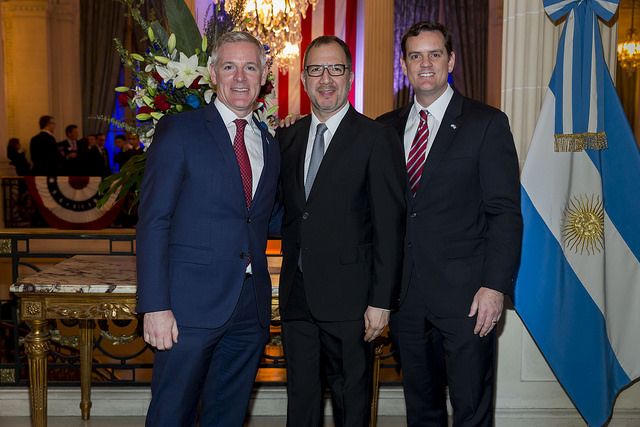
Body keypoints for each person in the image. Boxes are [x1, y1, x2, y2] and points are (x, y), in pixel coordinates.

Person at [376, 21, 523, 426]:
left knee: (471, 409)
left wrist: (495, 287)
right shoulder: (383, 129)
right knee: (421, 410)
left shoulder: (486, 123)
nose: (425, 64)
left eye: (434, 54)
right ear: (404, 64)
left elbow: (504, 212)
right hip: (405, 298)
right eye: (415, 55)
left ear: (451, 60)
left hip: (468, 298)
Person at [136, 31, 279, 427]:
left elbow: (261, 217)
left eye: (250, 67)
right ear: (212, 74)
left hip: (249, 308)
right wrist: (155, 305)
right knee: (171, 414)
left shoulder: (267, 143)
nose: (239, 77)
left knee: (227, 416)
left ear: (264, 75)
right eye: (229, 67)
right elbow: (154, 222)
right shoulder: (179, 131)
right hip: (186, 308)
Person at [277, 35, 406, 427]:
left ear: (350, 77)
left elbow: (389, 225)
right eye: (317, 69)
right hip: (297, 296)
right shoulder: (287, 138)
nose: (326, 78)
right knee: (301, 401)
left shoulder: (376, 137)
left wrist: (381, 301)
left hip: (352, 303)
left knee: (351, 403)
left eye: (336, 68)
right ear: (303, 79)